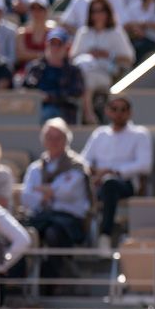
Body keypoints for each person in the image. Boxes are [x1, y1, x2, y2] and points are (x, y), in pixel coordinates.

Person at [20, 118, 92, 284]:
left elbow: (68, 193)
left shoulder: (77, 166)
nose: (53, 142)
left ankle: (50, 284)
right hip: (41, 217)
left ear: (66, 140)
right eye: (49, 137)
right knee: (22, 231)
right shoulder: (35, 168)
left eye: (58, 137)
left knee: (54, 234)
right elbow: (26, 198)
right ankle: (17, 281)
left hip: (69, 220)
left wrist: (44, 191)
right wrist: (50, 192)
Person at [80, 96, 154, 249]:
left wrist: (114, 171)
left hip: (126, 185)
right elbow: (83, 161)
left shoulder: (140, 134)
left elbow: (145, 165)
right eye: (114, 109)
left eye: (123, 109)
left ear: (130, 113)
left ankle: (105, 235)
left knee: (110, 183)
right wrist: (95, 173)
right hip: (97, 185)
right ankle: (78, 239)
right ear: (107, 111)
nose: (118, 113)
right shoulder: (99, 134)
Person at [70, 0, 135, 124]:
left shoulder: (116, 32)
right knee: (84, 76)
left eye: (101, 11)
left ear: (107, 12)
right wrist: (89, 54)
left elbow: (129, 58)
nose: (98, 14)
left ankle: (88, 115)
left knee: (87, 79)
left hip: (106, 74)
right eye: (94, 11)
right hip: (83, 71)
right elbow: (73, 57)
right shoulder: (83, 32)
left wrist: (107, 55)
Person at [21, 27, 86, 123]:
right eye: (52, 44)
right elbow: (26, 88)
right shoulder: (35, 67)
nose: (55, 48)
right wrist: (37, 95)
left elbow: (76, 94)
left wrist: (50, 97)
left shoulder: (74, 71)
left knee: (48, 113)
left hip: (65, 112)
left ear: (66, 47)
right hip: (34, 110)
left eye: (59, 44)